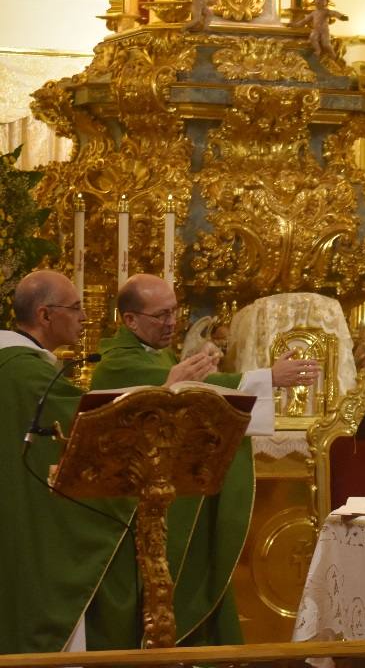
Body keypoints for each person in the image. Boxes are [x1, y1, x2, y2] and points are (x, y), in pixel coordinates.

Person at [89, 273, 320, 646]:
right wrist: (268, 377)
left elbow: (192, 391)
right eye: (160, 316)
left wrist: (188, 378)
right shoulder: (117, 362)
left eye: (174, 312)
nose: (171, 323)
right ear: (129, 320)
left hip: (169, 495)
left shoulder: (156, 354)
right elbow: (174, 392)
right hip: (134, 507)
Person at [0, 270, 138, 653]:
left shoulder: (17, 366)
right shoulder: (29, 375)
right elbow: (88, 427)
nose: (84, 318)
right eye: (75, 308)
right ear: (45, 315)